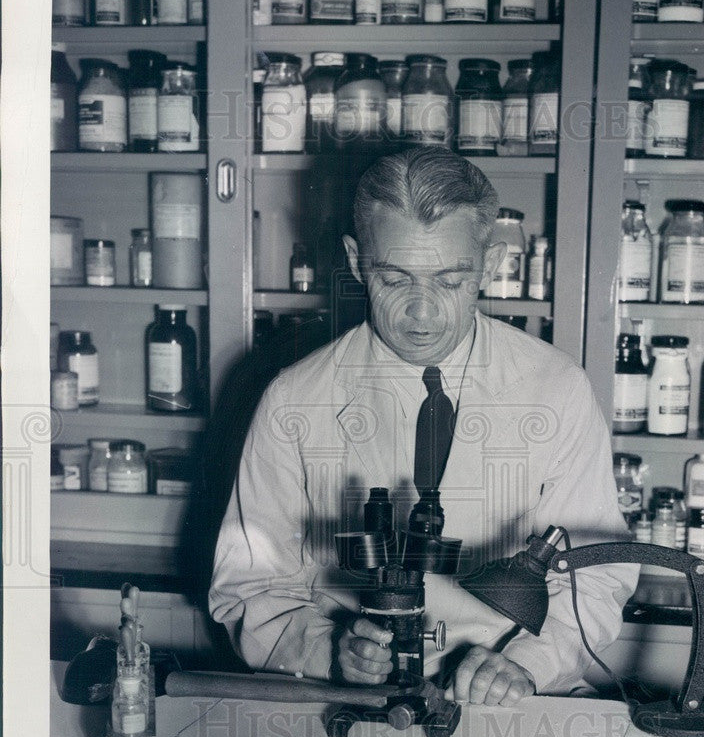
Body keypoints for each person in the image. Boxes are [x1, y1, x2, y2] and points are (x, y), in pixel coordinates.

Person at [209, 147, 638, 706]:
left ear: (488, 264)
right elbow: (250, 587)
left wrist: (526, 664)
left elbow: (596, 577)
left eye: (451, 281)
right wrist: (328, 649)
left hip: (511, 700)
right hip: (348, 701)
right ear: (356, 258)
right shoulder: (294, 398)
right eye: (394, 279)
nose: (422, 313)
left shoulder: (556, 389)